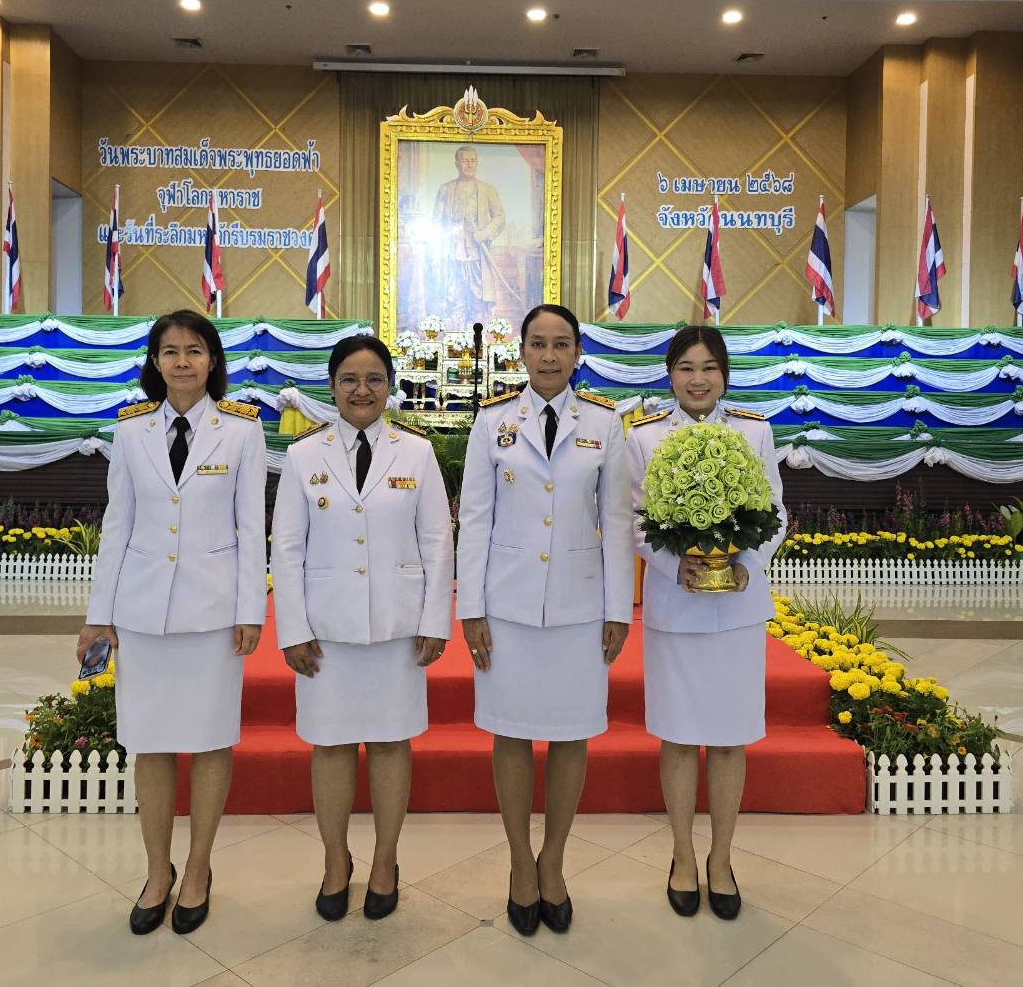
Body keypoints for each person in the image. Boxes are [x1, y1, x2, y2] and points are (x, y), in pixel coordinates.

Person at [77, 308, 266, 936]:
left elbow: (250, 530)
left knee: (211, 741)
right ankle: (157, 870)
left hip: (213, 615)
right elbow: (117, 524)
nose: (182, 362)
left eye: (193, 350)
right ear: (154, 363)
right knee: (150, 744)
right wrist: (98, 616)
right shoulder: (130, 431)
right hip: (143, 613)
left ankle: (199, 867)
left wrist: (250, 610)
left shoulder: (241, 430)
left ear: (213, 360)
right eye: (169, 351)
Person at [456, 303, 635, 936]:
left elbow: (617, 520)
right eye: (538, 343)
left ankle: (553, 861)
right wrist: (470, 607)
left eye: (562, 344)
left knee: (569, 733)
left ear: (578, 353)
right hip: (506, 603)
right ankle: (517, 864)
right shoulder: (493, 423)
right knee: (509, 732)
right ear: (522, 351)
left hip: (580, 605)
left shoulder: (605, 424)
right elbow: (474, 518)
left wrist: (618, 609)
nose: (550, 355)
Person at [273, 336, 453, 923]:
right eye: (349, 378)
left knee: (390, 743)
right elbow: (288, 548)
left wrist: (434, 619)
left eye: (374, 378)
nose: (362, 390)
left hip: (398, 629)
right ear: (332, 386)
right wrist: (292, 628)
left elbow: (436, 541)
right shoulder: (304, 456)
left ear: (391, 386)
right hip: (326, 633)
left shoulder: (417, 453)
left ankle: (384, 861)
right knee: (329, 746)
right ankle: (334, 861)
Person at [625, 325, 786, 921]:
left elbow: (776, 510)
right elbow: (638, 523)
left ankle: (721, 858)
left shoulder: (754, 430)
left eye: (710, 368)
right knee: (678, 733)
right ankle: (683, 856)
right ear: (670, 375)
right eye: (687, 367)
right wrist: (676, 565)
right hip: (678, 607)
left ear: (725, 375)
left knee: (728, 736)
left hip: (740, 609)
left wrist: (747, 564)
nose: (698, 379)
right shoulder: (644, 439)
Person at [433, 144, 506, 327]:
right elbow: (436, 223)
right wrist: (450, 234)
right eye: (465, 161)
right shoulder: (445, 189)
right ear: (457, 163)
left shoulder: (488, 189)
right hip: (453, 253)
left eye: (473, 161)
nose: (469, 165)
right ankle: (455, 336)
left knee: (478, 296)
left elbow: (499, 217)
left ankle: (478, 339)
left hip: (478, 252)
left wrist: (485, 233)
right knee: (454, 293)